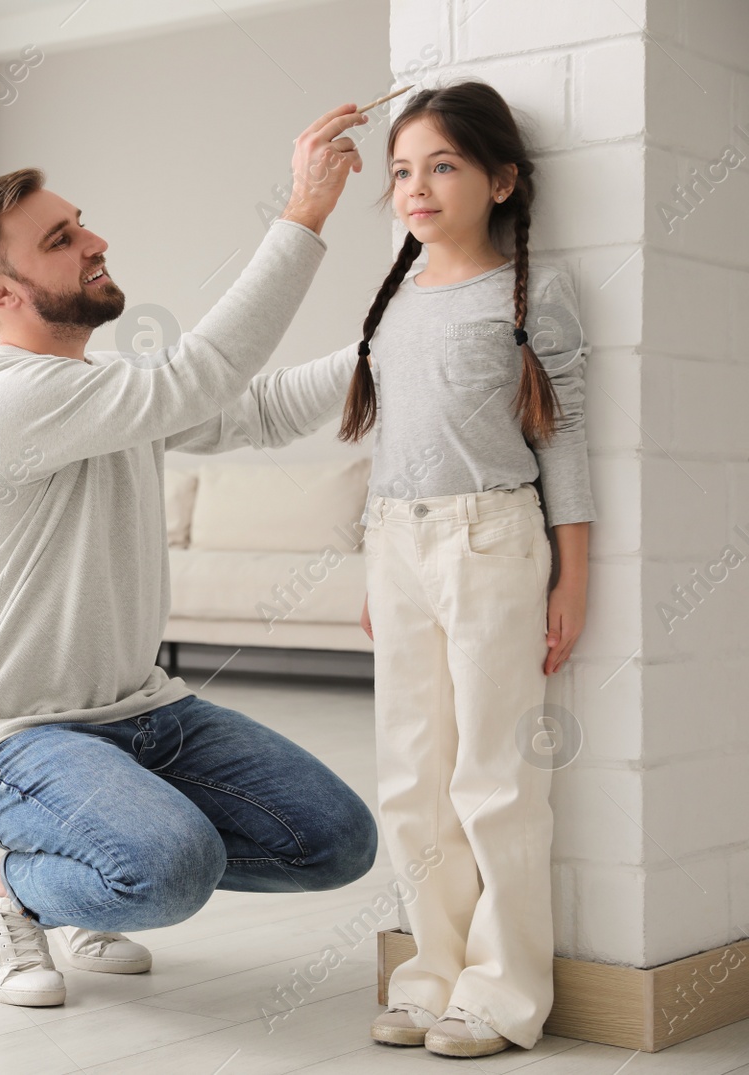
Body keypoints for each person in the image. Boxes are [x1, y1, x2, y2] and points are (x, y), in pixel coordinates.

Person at [0, 104, 380, 1010]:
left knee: (336, 839)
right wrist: (302, 214)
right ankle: (5, 887)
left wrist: (388, 345)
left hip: (142, 713)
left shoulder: (103, 391)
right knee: (171, 868)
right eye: (61, 239)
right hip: (12, 738)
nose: (95, 239)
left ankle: (91, 860)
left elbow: (261, 410)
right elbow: (201, 378)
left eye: (79, 220)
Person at [344, 81, 593, 1058]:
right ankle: (429, 973)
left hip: (493, 542)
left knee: (494, 776)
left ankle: (501, 992)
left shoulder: (534, 293)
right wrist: (379, 566)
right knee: (412, 775)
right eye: (403, 169)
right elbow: (393, 443)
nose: (415, 184)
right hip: (396, 544)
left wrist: (573, 580)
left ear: (499, 181)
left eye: (441, 164)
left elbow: (563, 446)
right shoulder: (393, 304)